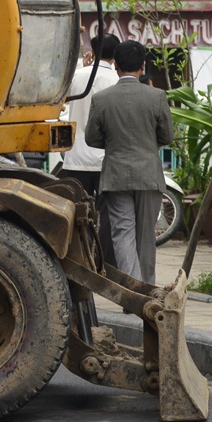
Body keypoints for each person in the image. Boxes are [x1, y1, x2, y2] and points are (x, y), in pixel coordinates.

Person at [83, 40, 172, 284]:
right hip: (149, 175)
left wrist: (114, 144)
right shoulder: (157, 96)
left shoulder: (102, 98)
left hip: (116, 175)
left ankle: (130, 292)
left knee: (122, 233)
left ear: (117, 65)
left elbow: (91, 138)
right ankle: (147, 291)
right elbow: (167, 136)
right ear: (143, 66)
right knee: (145, 237)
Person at [60, 33, 119, 261]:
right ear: (115, 56)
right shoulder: (115, 80)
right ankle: (103, 263)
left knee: (77, 214)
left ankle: (77, 259)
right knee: (107, 216)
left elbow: (63, 103)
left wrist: (83, 68)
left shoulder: (77, 77)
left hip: (76, 158)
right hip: (105, 159)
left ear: (92, 50)